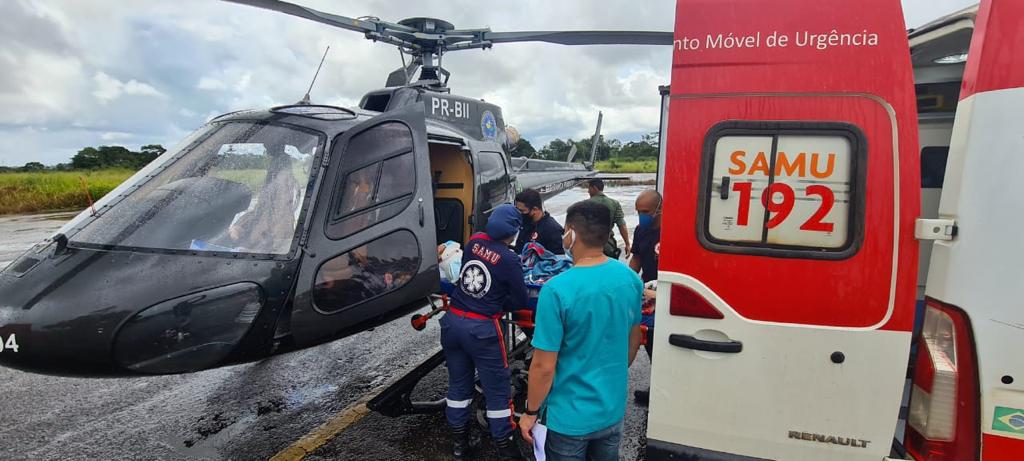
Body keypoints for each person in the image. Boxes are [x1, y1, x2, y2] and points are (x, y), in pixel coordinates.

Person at [520, 200, 645, 461]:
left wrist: (530, 412)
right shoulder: (631, 280)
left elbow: (543, 366)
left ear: (572, 233)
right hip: (610, 410)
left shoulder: (556, 290)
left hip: (569, 417)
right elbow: (633, 339)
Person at [443, 204, 529, 461]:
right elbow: (521, 300)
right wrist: (499, 303)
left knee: (458, 386)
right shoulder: (510, 259)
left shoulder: (474, 241)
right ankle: (506, 449)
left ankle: (459, 444)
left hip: (452, 323)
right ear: (513, 231)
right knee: (498, 391)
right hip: (481, 330)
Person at [629, 189, 662, 405]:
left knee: (663, 343)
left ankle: (663, 390)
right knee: (650, 342)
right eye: (638, 211)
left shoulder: (674, 230)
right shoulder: (641, 230)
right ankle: (658, 386)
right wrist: (628, 282)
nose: (642, 215)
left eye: (646, 211)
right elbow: (636, 259)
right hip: (647, 294)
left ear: (660, 209)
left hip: (666, 294)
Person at [586, 178, 630, 259]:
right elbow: (621, 225)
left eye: (589, 188)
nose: (588, 191)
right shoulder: (614, 203)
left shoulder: (585, 204)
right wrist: (627, 244)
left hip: (589, 246)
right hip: (608, 246)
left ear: (594, 188)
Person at [514, 188, 565, 255]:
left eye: (522, 211)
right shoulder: (525, 222)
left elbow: (559, 260)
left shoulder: (553, 230)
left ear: (535, 209)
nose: (519, 213)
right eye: (517, 210)